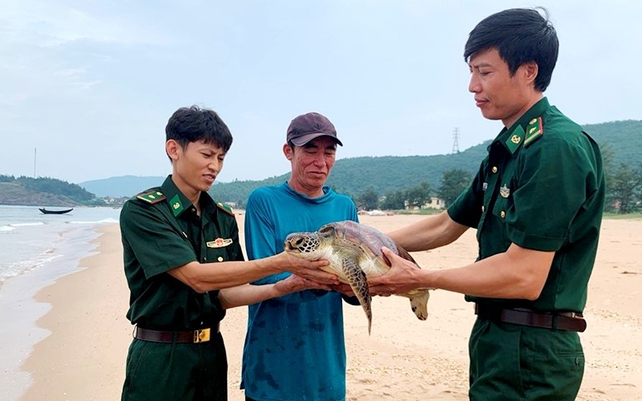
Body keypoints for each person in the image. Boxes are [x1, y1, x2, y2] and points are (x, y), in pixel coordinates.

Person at [369, 8, 605, 401]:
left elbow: (524, 276)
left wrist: (421, 278)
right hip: (497, 340)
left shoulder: (555, 148)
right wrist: (362, 240)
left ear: (528, 71)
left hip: (533, 347)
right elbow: (446, 225)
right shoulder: (510, 146)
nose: (472, 86)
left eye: (485, 72)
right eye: (472, 71)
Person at [119, 105, 337, 401]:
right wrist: (283, 261)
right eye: (207, 155)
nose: (215, 167)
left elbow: (225, 295)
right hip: (161, 356)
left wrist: (283, 286)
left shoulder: (221, 217)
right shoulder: (144, 211)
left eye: (221, 158)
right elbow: (195, 277)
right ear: (174, 149)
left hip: (210, 353)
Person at [240, 111, 359, 401]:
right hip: (272, 371)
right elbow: (265, 278)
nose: (321, 162)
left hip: (326, 371)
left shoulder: (345, 209)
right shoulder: (264, 201)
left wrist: (363, 286)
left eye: (328, 152)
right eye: (310, 150)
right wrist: (331, 279)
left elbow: (356, 280)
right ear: (288, 151)